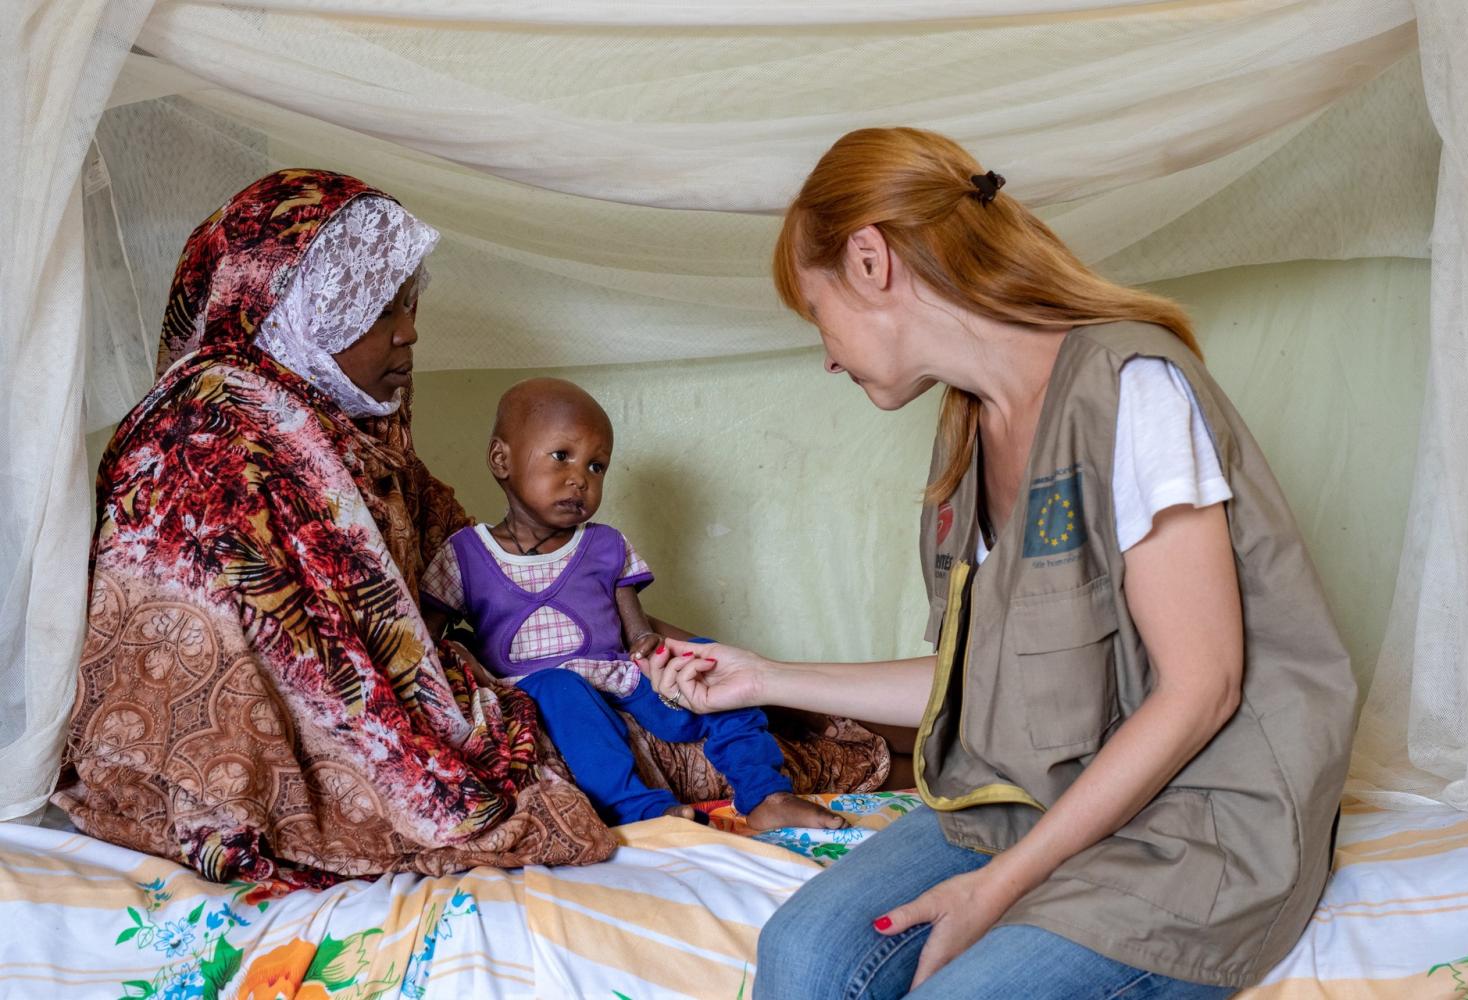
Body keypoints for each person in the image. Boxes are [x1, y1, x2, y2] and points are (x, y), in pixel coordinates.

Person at [637, 128, 1357, 998]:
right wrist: (763, 679)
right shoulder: (966, 433)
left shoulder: (1133, 386)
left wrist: (997, 890)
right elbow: (978, 679)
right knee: (801, 951)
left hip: (1189, 826)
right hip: (1021, 797)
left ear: (870, 260)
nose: (824, 353)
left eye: (816, 314)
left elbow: (1201, 690)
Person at [54, 170, 617, 882]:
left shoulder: (348, 433)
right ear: (298, 310)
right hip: (218, 765)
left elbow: (474, 565)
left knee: (641, 717)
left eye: (409, 305)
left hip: (401, 709)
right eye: (381, 310)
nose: (411, 333)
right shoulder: (208, 438)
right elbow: (286, 664)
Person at [420, 377, 846, 831]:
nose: (579, 479)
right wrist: (460, 659)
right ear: (501, 459)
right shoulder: (465, 553)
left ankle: (766, 792)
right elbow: (425, 633)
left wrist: (652, 647)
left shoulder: (605, 544)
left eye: (597, 467)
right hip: (535, 689)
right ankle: (637, 808)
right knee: (562, 690)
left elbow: (634, 627)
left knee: (708, 662)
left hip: (616, 673)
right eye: (562, 456)